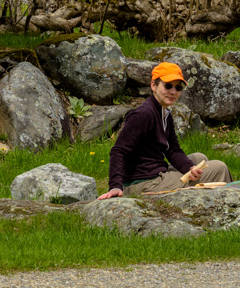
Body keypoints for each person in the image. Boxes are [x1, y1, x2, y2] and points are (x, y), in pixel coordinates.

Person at [98, 62, 231, 200]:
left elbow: (173, 149)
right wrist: (115, 186)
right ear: (153, 86)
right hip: (143, 183)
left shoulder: (165, 113)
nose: (173, 92)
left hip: (156, 172)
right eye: (168, 85)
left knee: (199, 158)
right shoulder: (143, 114)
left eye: (178, 87)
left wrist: (189, 168)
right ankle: (227, 204)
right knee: (219, 167)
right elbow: (119, 151)